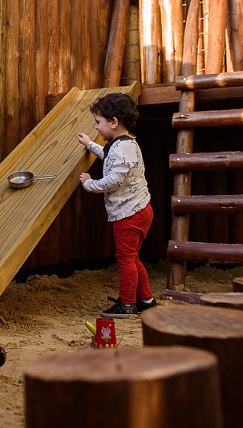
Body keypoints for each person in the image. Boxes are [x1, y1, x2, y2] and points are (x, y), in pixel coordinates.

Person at [75, 92, 157, 318]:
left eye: (98, 123)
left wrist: (90, 184)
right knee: (132, 257)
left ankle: (128, 305)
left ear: (113, 122)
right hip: (139, 210)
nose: (97, 128)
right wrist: (90, 145)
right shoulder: (124, 143)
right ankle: (146, 300)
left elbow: (113, 180)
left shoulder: (121, 149)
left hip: (129, 214)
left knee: (126, 259)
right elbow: (109, 157)